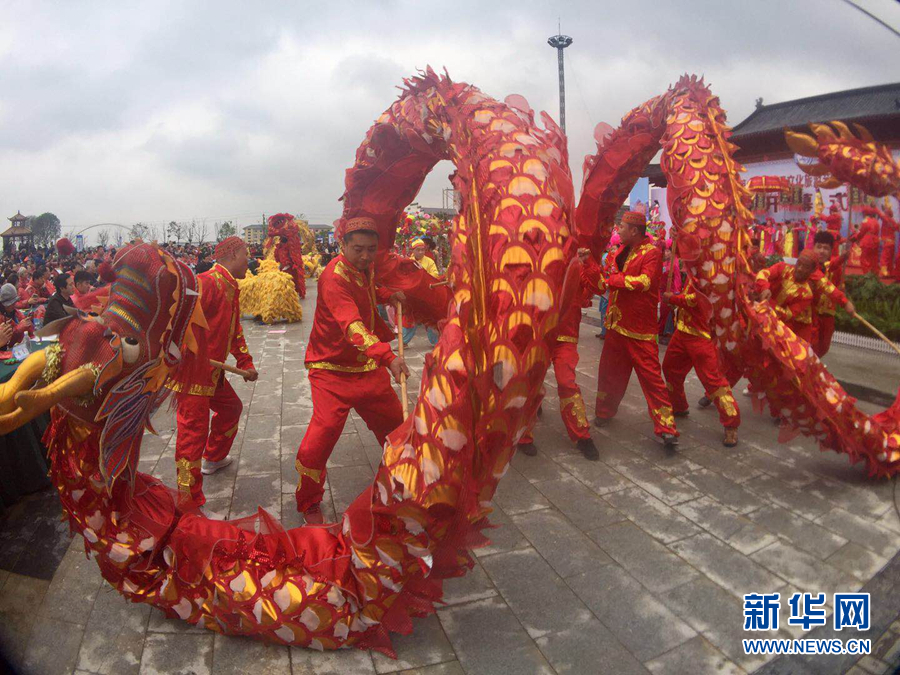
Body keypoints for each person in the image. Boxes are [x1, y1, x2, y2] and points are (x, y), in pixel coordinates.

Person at [295, 218, 408, 524]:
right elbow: (353, 326)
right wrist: (388, 357)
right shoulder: (332, 277)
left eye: (371, 250)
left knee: (397, 426)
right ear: (342, 245)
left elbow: (368, 289)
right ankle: (309, 501)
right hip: (330, 370)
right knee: (320, 438)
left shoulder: (363, 267)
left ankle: (401, 482)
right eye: (358, 249)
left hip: (366, 368)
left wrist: (387, 295)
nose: (366, 256)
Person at [167, 236, 258, 507]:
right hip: (194, 375)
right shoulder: (207, 282)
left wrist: (245, 362)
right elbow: (177, 320)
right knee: (191, 435)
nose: (249, 259)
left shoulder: (230, 285)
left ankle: (215, 457)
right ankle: (188, 501)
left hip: (212, 373)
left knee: (231, 409)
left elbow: (234, 331)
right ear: (231, 256)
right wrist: (185, 353)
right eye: (246, 254)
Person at [590, 211, 679, 450]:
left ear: (634, 231)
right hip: (616, 325)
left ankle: (667, 427)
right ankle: (604, 412)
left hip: (640, 328)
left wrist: (614, 281)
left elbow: (646, 282)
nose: (618, 231)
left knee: (652, 379)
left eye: (623, 227)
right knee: (609, 373)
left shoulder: (652, 253)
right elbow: (605, 277)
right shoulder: (618, 251)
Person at [518, 248, 599, 460]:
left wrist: (588, 261)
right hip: (539, 336)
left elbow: (599, 287)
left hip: (566, 338)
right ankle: (523, 435)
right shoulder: (537, 264)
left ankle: (582, 435)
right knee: (530, 383)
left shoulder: (578, 263)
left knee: (567, 382)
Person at [662, 277, 740, 447]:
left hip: (701, 336)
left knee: (713, 381)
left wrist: (673, 298)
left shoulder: (710, 272)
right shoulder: (693, 270)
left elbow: (696, 300)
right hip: (682, 332)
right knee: (670, 368)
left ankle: (731, 423)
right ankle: (679, 406)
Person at [755, 249, 856, 344]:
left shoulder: (806, 294)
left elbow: (787, 315)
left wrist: (845, 302)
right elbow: (763, 274)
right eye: (799, 264)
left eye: (805, 267)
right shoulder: (783, 268)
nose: (799, 269)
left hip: (786, 326)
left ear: (812, 270)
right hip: (762, 314)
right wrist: (764, 288)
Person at [402, 238, 441, 347]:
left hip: (426, 295)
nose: (421, 252)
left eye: (422, 250)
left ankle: (436, 343)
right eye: (418, 250)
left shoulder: (429, 261)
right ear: (413, 251)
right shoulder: (408, 262)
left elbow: (435, 275)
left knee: (430, 318)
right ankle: (403, 342)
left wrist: (425, 280)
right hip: (412, 296)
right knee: (411, 319)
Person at [0, 283, 32, 348]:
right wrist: (18, 329)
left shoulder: (16, 313)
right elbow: (7, 344)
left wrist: (29, 323)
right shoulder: (2, 318)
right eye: (11, 303)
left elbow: (31, 334)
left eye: (15, 302)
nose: (14, 305)